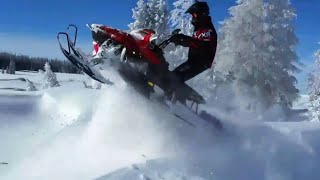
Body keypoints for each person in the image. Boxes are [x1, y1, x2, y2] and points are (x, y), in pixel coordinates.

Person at [170, 0, 217, 82]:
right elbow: (194, 42)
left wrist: (182, 39)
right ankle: (168, 93)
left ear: (201, 14)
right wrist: (180, 37)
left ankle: (176, 94)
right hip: (194, 61)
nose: (193, 17)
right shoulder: (200, 28)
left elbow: (200, 45)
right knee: (172, 76)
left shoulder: (207, 29)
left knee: (174, 79)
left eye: (194, 15)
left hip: (201, 62)